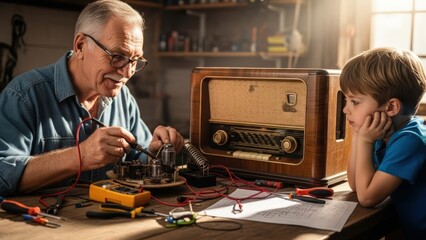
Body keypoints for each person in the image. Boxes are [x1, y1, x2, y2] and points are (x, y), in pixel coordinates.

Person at [0, 0, 184, 197]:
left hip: (109, 223)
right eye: (117, 56)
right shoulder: (23, 96)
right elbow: (3, 175)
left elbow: (136, 157)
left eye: (135, 60)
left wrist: (155, 151)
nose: (128, 72)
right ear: (80, 46)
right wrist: (81, 156)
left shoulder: (123, 98)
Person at [340, 47, 426, 238]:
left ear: (391, 107)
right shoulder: (384, 134)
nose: (346, 109)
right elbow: (355, 184)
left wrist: (363, 140)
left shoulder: (410, 140)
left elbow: (367, 197)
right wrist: (358, 136)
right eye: (346, 100)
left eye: (354, 102)